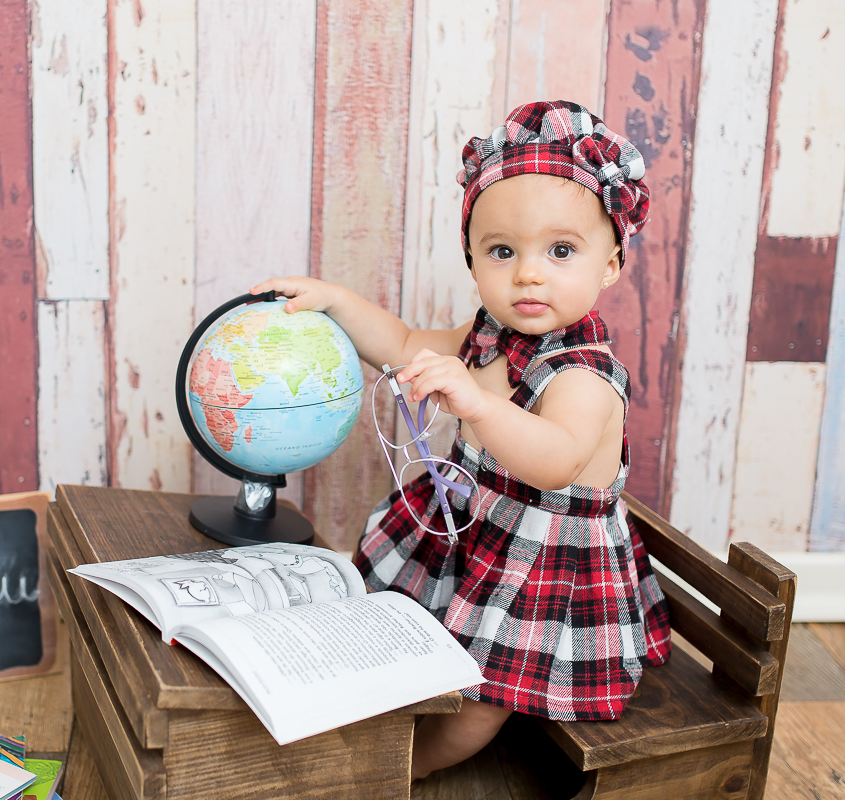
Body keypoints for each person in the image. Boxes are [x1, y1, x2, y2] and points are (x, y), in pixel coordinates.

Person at [252, 100, 671, 779]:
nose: (529, 273)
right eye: (503, 251)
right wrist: (335, 301)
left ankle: (386, 775)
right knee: (400, 634)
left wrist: (476, 404)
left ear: (611, 264)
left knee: (477, 699)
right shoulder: (489, 334)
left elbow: (555, 458)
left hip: (543, 562)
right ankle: (362, 718)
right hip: (477, 531)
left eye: (561, 251)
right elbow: (406, 345)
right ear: (473, 260)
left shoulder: (584, 375)